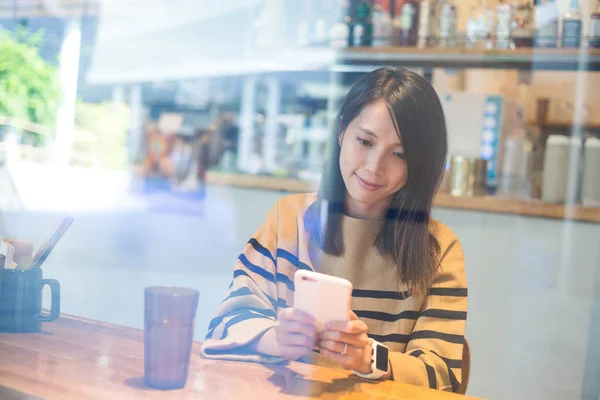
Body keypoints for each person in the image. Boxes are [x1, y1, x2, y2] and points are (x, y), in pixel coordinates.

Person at [201, 68, 467, 393]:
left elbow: (443, 377)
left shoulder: (438, 248)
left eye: (399, 154)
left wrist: (369, 357)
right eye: (365, 141)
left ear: (420, 163)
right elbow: (225, 323)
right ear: (342, 131)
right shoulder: (289, 219)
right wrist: (275, 338)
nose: (374, 166)